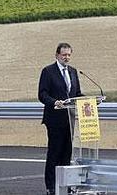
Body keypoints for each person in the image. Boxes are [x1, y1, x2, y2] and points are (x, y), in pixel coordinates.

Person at [38, 43, 84, 195]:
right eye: (64, 55)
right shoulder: (48, 71)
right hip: (54, 119)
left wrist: (90, 100)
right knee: (54, 153)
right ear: (57, 55)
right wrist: (54, 102)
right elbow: (42, 94)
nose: (67, 57)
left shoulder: (73, 71)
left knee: (67, 154)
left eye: (69, 55)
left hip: (69, 120)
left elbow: (76, 93)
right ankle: (51, 187)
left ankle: (67, 185)